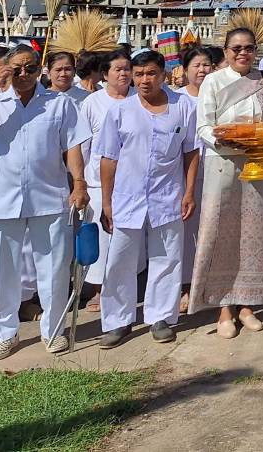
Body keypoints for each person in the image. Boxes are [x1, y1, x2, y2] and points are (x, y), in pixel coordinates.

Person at [0, 43, 88, 359]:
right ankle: (2, 334)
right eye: (16, 69)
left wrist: (79, 183)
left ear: (39, 69)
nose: (23, 74)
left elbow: (72, 146)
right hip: (0, 200)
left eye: (30, 68)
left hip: (49, 196)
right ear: (5, 69)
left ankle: (54, 330)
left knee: (55, 269)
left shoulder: (58, 103)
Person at [96, 50, 199, 347]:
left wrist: (189, 191)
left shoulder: (183, 107)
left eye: (151, 73)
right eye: (138, 74)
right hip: (126, 198)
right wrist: (106, 201)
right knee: (119, 261)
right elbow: (108, 158)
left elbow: (191, 151)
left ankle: (161, 317)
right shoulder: (120, 111)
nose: (144, 80)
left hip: (168, 196)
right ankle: (117, 321)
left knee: (167, 258)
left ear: (163, 75)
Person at [191, 27, 263, 337]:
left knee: (254, 234)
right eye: (236, 48)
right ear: (226, 51)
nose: (243, 53)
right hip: (223, 163)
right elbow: (203, 125)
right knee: (220, 231)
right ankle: (223, 308)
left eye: (249, 48)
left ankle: (247, 305)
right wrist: (225, 140)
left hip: (257, 163)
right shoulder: (214, 81)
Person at [77, 50, 136, 310]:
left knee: (127, 240)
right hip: (98, 181)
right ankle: (100, 290)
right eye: (117, 69)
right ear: (105, 74)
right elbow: (83, 145)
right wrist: (79, 180)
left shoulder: (140, 98)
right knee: (102, 236)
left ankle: (124, 289)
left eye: (127, 69)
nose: (123, 74)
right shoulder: (93, 102)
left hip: (133, 180)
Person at [177, 45, 214, 311]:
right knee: (187, 231)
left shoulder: (219, 94)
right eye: (197, 65)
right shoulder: (177, 99)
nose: (202, 70)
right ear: (185, 70)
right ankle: (187, 285)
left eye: (206, 65)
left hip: (215, 169)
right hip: (184, 174)